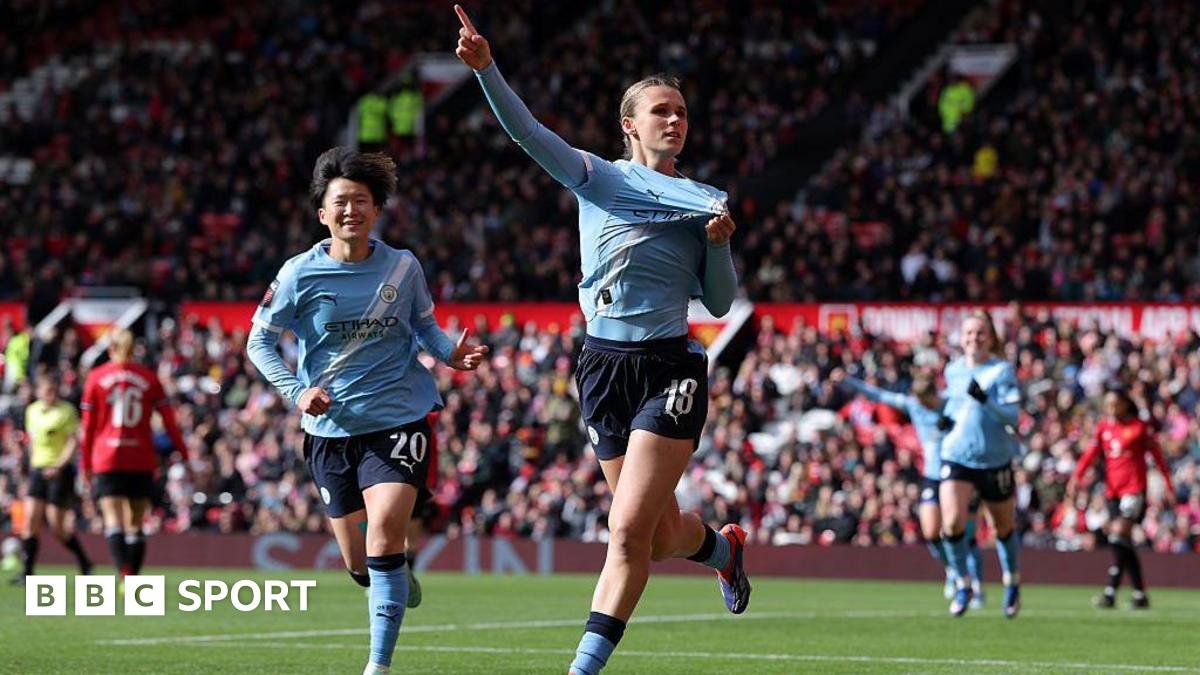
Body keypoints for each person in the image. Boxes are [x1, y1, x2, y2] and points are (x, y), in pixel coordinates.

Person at [454, 6, 744, 674]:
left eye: (681, 112)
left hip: (670, 367)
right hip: (601, 365)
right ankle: (724, 550)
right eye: (661, 111)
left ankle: (580, 668)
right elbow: (528, 134)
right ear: (630, 125)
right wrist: (486, 70)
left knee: (624, 533)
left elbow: (721, 301)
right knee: (663, 532)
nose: (674, 120)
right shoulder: (598, 176)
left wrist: (719, 248)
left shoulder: (705, 198)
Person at [245, 147, 487, 675]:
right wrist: (296, 391)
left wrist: (451, 354)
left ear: (377, 209)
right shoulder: (297, 275)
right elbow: (258, 342)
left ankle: (378, 665)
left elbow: (424, 327)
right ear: (322, 214)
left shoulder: (403, 266)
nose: (351, 209)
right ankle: (391, 574)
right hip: (330, 429)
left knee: (384, 534)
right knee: (359, 561)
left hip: (400, 418)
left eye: (361, 200)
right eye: (341, 202)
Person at [834, 368, 985, 605]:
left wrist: (955, 426)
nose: (924, 406)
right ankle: (953, 571)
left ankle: (975, 586)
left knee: (961, 533)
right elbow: (880, 395)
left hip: (957, 472)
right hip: (932, 476)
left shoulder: (951, 403)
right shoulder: (913, 404)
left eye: (927, 401)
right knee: (930, 531)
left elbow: (973, 416)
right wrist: (849, 381)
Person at [80, 329, 190, 578]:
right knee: (135, 522)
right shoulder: (149, 378)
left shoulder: (96, 378)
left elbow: (87, 428)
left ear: (110, 349)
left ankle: (124, 574)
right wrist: (183, 453)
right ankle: (132, 578)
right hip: (140, 456)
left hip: (106, 456)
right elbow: (169, 422)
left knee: (113, 518)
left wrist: (85, 463)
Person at [938, 310, 1022, 618]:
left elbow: (1013, 417)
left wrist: (986, 401)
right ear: (961, 338)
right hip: (957, 455)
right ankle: (963, 584)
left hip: (994, 458)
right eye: (969, 333)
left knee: (1003, 528)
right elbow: (954, 407)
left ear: (991, 338)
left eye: (980, 333)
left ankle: (1012, 582)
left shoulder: (1001, 371)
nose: (974, 338)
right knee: (951, 523)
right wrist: (944, 421)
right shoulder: (952, 371)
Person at [1067, 389, 1175, 609]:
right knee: (1121, 542)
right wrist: (1075, 477)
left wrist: (1168, 484)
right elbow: (1090, 455)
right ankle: (1139, 594)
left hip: (1134, 491)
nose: (1110, 409)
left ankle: (1110, 592)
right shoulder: (1104, 428)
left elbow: (1158, 457)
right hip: (1112, 493)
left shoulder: (1138, 428)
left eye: (1115, 404)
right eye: (1107, 404)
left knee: (1117, 532)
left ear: (1126, 404)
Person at [12, 377, 91, 584]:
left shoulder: (66, 411)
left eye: (53, 389)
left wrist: (58, 466)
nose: (51, 393)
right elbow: (33, 443)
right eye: (47, 390)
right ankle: (27, 573)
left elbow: (73, 442)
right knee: (30, 520)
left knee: (57, 526)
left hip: (60, 472)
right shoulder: (32, 411)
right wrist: (29, 467)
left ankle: (84, 561)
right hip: (38, 470)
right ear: (39, 391)